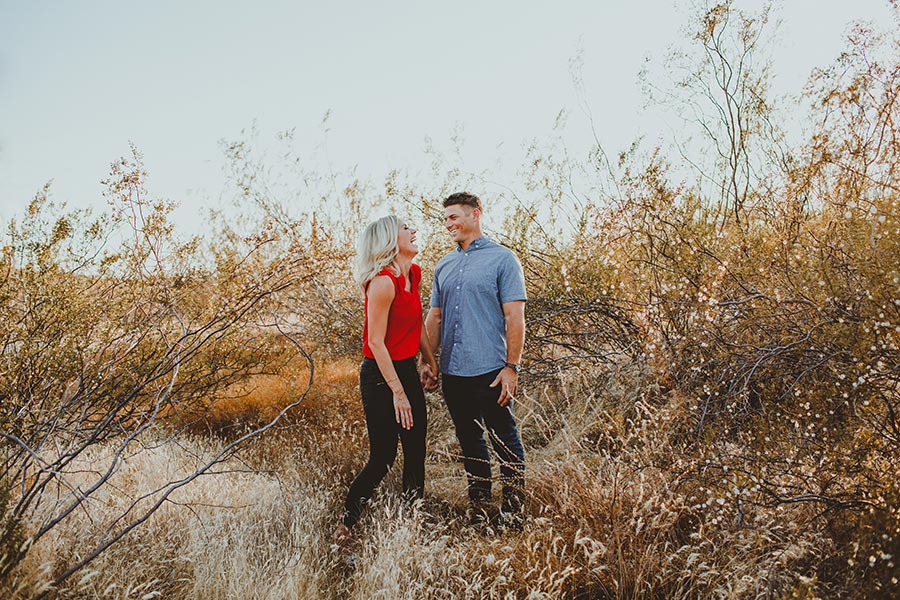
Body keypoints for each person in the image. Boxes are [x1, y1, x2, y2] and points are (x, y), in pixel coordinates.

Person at [421, 192, 527, 523]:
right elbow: (434, 318)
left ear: (475, 215)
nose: (449, 224)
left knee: (505, 440)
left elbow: (515, 318)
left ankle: (514, 512)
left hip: (492, 370)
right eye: (446, 219)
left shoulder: (503, 259)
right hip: (454, 372)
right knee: (469, 442)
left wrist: (512, 367)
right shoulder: (444, 264)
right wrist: (426, 360)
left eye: (454, 217)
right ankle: (480, 508)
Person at [334, 215, 439, 545]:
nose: (414, 231)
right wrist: (397, 391)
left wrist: (429, 361)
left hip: (406, 369)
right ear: (389, 240)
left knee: (415, 451)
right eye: (406, 228)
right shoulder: (382, 282)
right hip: (380, 376)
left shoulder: (414, 274)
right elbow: (376, 342)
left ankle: (412, 526)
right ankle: (346, 526)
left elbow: (416, 323)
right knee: (383, 458)